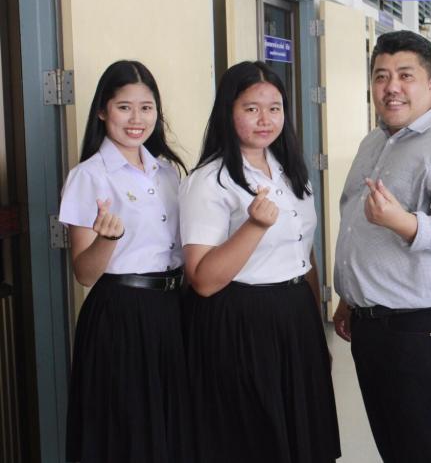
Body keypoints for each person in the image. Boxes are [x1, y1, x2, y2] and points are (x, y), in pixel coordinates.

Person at [332, 30, 431, 463]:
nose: (392, 87)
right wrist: (350, 297)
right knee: (396, 447)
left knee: (423, 450)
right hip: (374, 321)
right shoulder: (376, 140)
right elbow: (356, 221)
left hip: (420, 326)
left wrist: (402, 222)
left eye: (405, 75)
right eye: (381, 76)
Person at [179, 61, 340, 463]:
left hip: (295, 314)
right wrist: (253, 226)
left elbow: (304, 252)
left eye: (274, 108)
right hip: (242, 321)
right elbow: (202, 280)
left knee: (302, 437)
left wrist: (315, 330)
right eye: (251, 108)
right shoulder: (210, 181)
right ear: (228, 111)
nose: (265, 119)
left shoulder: (291, 171)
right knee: (256, 441)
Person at [60, 60, 192, 463]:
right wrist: (107, 239)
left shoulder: (168, 173)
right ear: (102, 111)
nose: (137, 119)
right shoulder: (89, 176)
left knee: (172, 426)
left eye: (146, 108)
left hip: (173, 310)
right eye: (124, 107)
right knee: (128, 431)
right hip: (121, 315)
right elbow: (84, 274)